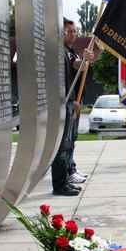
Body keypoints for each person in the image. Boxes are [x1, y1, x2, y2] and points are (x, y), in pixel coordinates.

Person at [51, 18, 94, 196]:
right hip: (61, 103)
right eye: (70, 31)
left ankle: (66, 179)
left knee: (67, 144)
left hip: (70, 103)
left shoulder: (69, 52)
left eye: (75, 31)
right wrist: (70, 101)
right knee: (61, 147)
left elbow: (79, 66)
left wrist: (86, 59)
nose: (73, 34)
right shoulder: (56, 52)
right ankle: (59, 185)